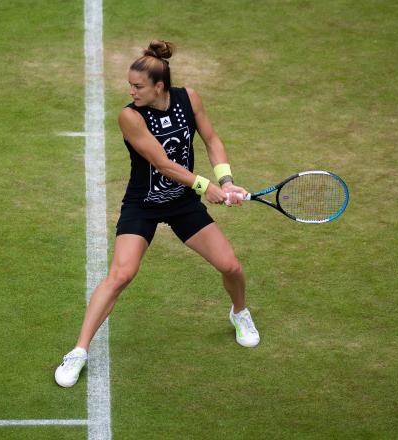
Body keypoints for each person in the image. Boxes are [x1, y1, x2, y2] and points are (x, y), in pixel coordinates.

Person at [55, 40, 260, 388]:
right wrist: (205, 186)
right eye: (130, 86)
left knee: (231, 265)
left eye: (138, 86)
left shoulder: (189, 99)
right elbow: (161, 163)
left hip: (182, 204)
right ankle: (78, 351)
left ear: (159, 86)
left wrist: (226, 180)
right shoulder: (130, 116)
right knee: (121, 275)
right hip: (143, 204)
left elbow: (211, 139)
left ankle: (240, 312)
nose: (131, 91)